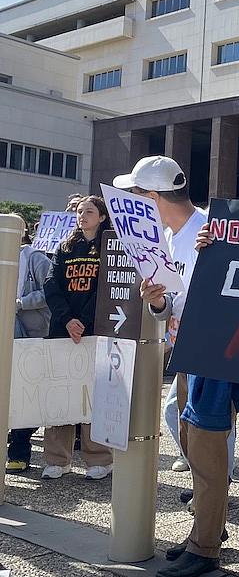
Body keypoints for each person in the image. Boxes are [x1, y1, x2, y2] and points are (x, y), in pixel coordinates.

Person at [112, 155, 239, 577]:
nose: (132, 204)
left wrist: (165, 304)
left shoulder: (210, 231)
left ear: (152, 197)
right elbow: (173, 302)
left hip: (214, 357)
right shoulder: (170, 237)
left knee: (206, 448)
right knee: (191, 440)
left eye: (136, 195)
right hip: (189, 354)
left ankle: (205, 548)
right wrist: (157, 301)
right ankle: (205, 533)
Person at [41, 195, 114, 480]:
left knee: (93, 396)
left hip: (93, 332)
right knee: (60, 394)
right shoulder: (65, 247)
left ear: (102, 217)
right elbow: (51, 284)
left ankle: (99, 458)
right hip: (63, 331)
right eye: (80, 211)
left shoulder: (110, 248)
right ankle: (58, 459)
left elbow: (106, 288)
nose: (82, 216)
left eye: (89, 211)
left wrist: (82, 321)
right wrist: (67, 319)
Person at [6, 215, 52, 473]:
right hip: (6, 333)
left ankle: (20, 450)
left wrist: (21, 303)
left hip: (32, 336)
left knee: (27, 393)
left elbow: (50, 291)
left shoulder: (35, 258)